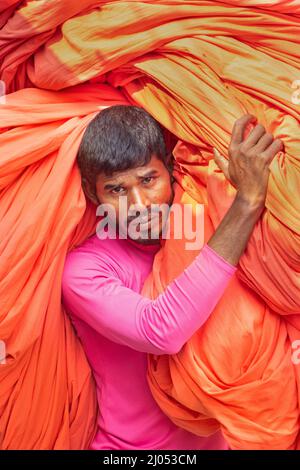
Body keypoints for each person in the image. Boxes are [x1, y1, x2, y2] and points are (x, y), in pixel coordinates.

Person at [61, 105, 283, 450]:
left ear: (170, 169)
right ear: (94, 195)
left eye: (148, 180)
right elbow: (160, 331)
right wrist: (247, 202)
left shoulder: (206, 223)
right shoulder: (84, 269)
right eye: (117, 190)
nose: (139, 203)